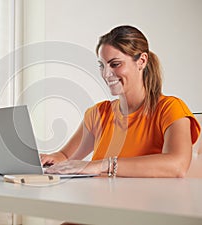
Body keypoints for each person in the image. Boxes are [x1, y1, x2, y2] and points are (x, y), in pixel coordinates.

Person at [41, 25, 201, 178]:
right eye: (102, 66)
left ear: (142, 61)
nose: (106, 74)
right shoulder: (98, 113)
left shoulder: (170, 109)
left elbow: (177, 166)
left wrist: (103, 165)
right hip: (97, 202)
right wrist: (49, 159)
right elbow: (65, 156)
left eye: (115, 64)